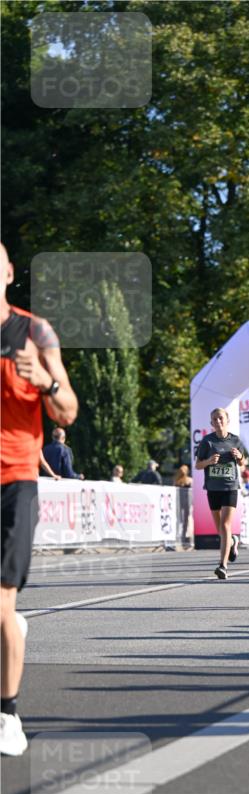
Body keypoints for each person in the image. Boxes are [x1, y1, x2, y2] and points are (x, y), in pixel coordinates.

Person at [1, 241, 78, 755]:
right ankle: (9, 629)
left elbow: (67, 412)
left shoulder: (33, 331)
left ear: (7, 272)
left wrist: (46, 381)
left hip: (14, 480)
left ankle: (6, 714)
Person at [195, 407, 245, 580]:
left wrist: (239, 457)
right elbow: (198, 465)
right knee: (220, 529)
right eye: (215, 419)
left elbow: (242, 463)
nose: (218, 422)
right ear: (211, 423)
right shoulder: (207, 442)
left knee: (225, 525)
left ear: (227, 420)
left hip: (230, 487)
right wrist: (209, 461)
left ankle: (222, 566)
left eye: (221, 418)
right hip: (212, 487)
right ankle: (232, 542)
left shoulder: (235, 440)